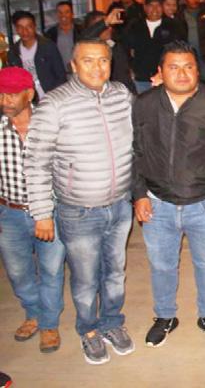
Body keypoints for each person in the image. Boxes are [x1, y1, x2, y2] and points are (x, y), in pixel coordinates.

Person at [26, 39, 135, 365]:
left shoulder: (121, 96)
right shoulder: (54, 104)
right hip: (78, 211)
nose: (97, 67)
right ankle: (88, 330)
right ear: (73, 65)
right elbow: (36, 162)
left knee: (115, 273)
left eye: (103, 60)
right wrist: (42, 213)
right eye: (88, 61)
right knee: (86, 278)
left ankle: (112, 322)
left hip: (120, 205)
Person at [132, 41, 205, 347]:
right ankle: (165, 316)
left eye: (188, 67)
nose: (182, 74)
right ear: (160, 71)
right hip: (158, 204)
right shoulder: (144, 104)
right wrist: (139, 194)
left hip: (204, 204)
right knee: (161, 265)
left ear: (198, 70)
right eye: (173, 67)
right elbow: (136, 151)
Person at [0, 67, 65, 354]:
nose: (5, 100)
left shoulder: (51, 126)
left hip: (50, 213)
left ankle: (49, 323)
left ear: (29, 94)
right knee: (18, 271)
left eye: (12, 94)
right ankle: (33, 312)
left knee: (51, 269)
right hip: (10, 212)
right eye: (1, 94)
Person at [121, 0, 186, 94]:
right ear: (145, 7)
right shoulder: (135, 26)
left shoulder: (173, 26)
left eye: (158, 5)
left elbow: (181, 50)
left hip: (166, 78)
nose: (155, 9)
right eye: (151, 5)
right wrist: (130, 68)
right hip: (141, 79)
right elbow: (125, 49)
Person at [6, 11, 67, 99]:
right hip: (27, 100)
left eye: (29, 26)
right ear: (16, 29)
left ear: (34, 27)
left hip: (51, 98)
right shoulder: (13, 53)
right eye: (20, 27)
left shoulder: (48, 46)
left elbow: (61, 75)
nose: (25, 31)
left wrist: (56, 97)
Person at [81, 10, 136, 93]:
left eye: (110, 25)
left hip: (125, 94)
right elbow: (85, 38)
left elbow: (125, 76)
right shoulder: (87, 51)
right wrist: (105, 22)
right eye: (105, 26)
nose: (109, 28)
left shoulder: (116, 46)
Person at [44, 0, 81, 72]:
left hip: (79, 71)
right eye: (60, 12)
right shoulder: (50, 34)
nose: (63, 15)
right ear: (56, 15)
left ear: (72, 14)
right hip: (59, 73)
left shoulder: (81, 31)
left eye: (67, 12)